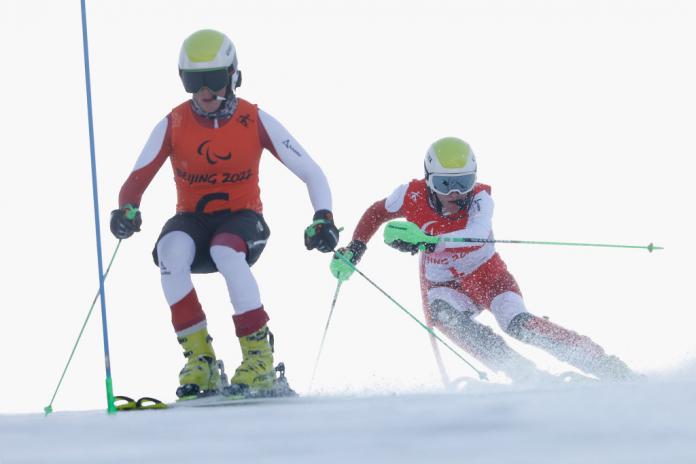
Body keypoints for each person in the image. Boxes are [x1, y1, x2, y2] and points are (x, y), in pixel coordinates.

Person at [110, 29, 339, 398]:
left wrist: (323, 218)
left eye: (214, 79)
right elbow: (135, 181)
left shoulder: (253, 118)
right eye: (193, 81)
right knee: (170, 251)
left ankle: (258, 356)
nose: (204, 91)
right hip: (193, 219)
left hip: (244, 220)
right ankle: (200, 358)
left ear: (233, 76)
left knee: (224, 249)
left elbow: (311, 172)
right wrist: (127, 210)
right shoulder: (175, 122)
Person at [330, 136, 634, 383]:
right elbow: (376, 212)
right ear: (428, 180)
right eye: (446, 184)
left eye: (464, 181)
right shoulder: (409, 195)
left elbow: (474, 232)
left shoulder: (480, 199)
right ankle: (523, 373)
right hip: (444, 283)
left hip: (487, 274)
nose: (456, 193)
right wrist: (355, 249)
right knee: (443, 314)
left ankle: (603, 363)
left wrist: (428, 241)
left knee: (517, 324)